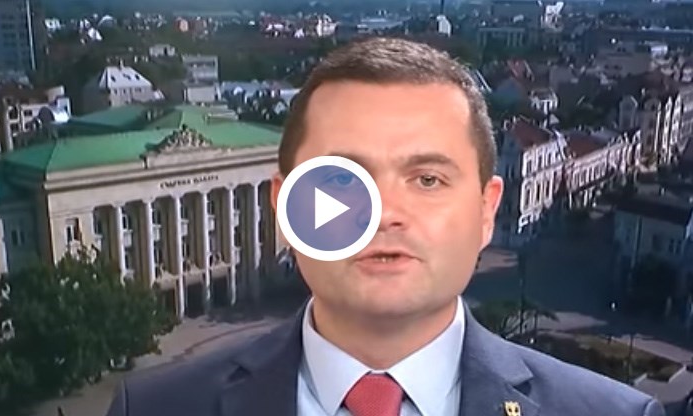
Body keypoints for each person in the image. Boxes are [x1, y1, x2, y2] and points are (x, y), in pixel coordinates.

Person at [106, 37, 665, 416]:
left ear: (485, 210)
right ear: (285, 209)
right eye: (341, 180)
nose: (382, 212)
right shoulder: (154, 409)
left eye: (427, 179)